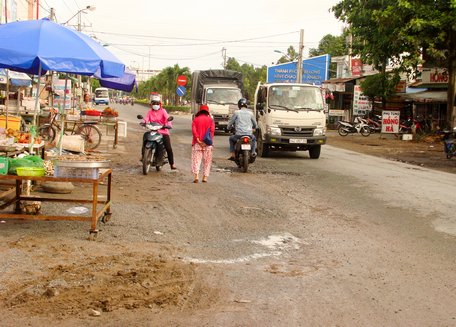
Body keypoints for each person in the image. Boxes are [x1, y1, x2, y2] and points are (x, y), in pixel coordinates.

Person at [142, 95, 177, 170]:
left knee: (168, 147)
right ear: (151, 104)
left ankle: (172, 163)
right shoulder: (150, 112)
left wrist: (168, 125)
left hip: (163, 131)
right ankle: (143, 156)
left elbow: (168, 118)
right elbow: (146, 118)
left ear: (160, 104)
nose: (155, 105)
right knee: (145, 138)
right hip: (153, 130)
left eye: (157, 103)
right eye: (154, 103)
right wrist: (143, 122)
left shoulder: (163, 111)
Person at [191, 104, 215, 183]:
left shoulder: (195, 119)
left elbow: (194, 131)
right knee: (207, 161)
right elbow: (212, 131)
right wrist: (206, 142)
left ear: (200, 111)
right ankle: (205, 177)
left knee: (196, 160)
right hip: (207, 144)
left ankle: (196, 176)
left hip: (197, 143)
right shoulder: (211, 120)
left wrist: (198, 139)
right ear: (207, 112)